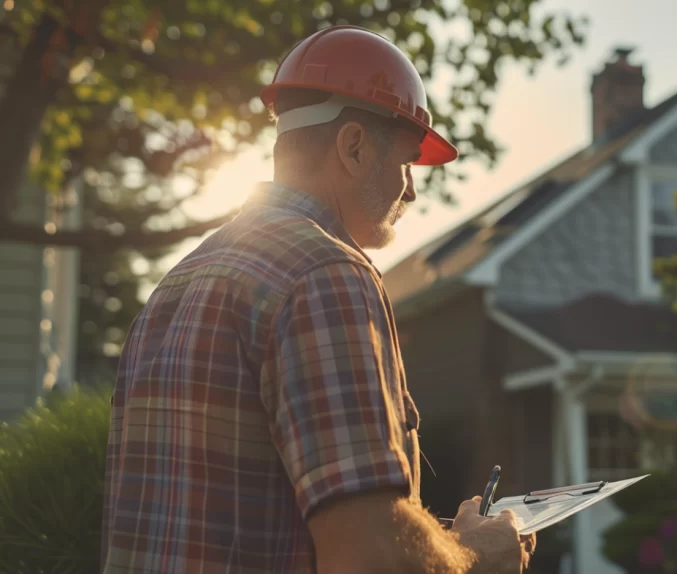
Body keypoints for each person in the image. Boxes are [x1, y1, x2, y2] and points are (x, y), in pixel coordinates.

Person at [101, 25, 535, 573]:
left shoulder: (178, 284)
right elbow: (368, 555)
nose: (412, 189)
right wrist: (478, 555)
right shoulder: (327, 273)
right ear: (353, 147)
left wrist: (424, 535)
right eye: (406, 162)